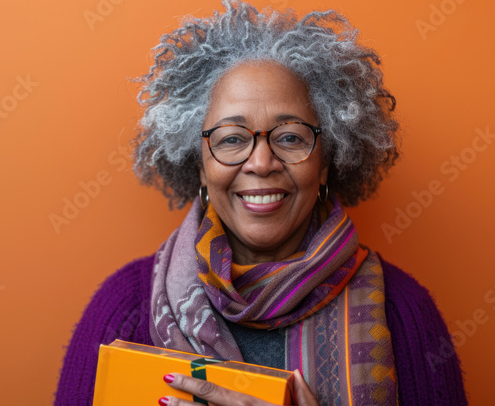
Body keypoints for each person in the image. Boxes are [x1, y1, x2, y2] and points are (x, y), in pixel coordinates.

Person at [54, 1, 468, 405]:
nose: (261, 162)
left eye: (290, 137)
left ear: (324, 164)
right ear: (199, 165)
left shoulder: (401, 312)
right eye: (231, 138)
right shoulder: (125, 308)